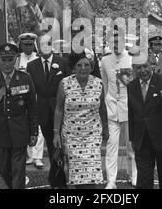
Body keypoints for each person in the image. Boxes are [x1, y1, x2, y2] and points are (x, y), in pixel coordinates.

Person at [0, 43, 38, 189]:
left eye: (10, 59)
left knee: (18, 168)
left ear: (16, 59)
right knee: (3, 167)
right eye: (3, 60)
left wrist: (34, 132)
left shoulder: (25, 78)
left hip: (20, 130)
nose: (6, 63)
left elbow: (32, 107)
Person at [53, 48, 109, 189]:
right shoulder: (64, 84)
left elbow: (102, 108)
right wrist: (56, 133)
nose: (83, 68)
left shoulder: (98, 84)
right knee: (77, 176)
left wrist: (106, 128)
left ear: (92, 67)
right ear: (73, 67)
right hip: (72, 136)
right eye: (79, 65)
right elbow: (59, 110)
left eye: (87, 65)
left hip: (93, 135)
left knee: (92, 174)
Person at [127, 54, 162, 189]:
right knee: (143, 180)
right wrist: (132, 139)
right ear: (134, 69)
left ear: (151, 65)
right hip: (142, 141)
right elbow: (131, 114)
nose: (143, 70)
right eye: (138, 68)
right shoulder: (131, 86)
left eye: (145, 66)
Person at [26, 33, 71, 187]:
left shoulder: (62, 63)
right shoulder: (31, 66)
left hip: (62, 111)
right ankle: (58, 180)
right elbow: (31, 91)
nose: (45, 45)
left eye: (48, 42)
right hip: (43, 112)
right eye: (42, 43)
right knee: (53, 146)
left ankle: (58, 178)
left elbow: (69, 86)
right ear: (38, 45)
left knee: (63, 146)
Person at [101, 27, 137, 189]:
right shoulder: (105, 60)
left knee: (132, 145)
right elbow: (105, 85)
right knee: (111, 146)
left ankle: (134, 175)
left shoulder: (131, 59)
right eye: (113, 41)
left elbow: (135, 86)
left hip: (128, 106)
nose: (116, 44)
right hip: (111, 106)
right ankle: (111, 180)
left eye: (119, 41)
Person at [14, 32, 45, 169]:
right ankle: (29, 155)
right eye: (25, 45)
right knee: (25, 126)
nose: (28, 47)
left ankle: (38, 157)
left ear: (34, 45)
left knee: (38, 127)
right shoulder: (16, 59)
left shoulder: (38, 58)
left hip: (36, 97)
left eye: (31, 44)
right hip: (21, 98)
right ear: (21, 45)